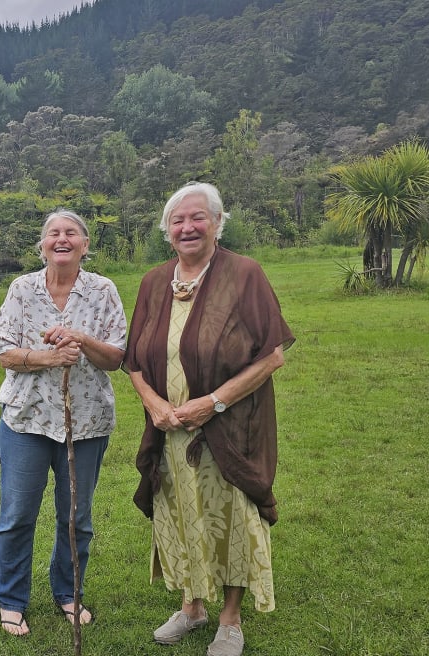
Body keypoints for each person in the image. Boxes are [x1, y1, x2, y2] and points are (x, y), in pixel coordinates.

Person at [124, 182, 295, 656]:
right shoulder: (154, 282)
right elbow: (133, 362)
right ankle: (192, 606)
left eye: (197, 217)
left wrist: (212, 402)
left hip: (228, 427)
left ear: (218, 223)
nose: (188, 227)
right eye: (177, 220)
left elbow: (272, 356)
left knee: (232, 517)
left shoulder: (244, 274)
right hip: (170, 430)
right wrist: (154, 404)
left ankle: (230, 619)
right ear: (167, 230)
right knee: (181, 513)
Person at [0, 209, 127, 637]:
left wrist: (82, 340)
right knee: (17, 515)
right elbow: (4, 352)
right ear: (43, 245)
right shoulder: (22, 289)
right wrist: (50, 357)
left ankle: (69, 592)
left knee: (76, 517)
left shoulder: (103, 290)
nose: (62, 239)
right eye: (54, 233)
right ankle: (11, 600)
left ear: (85, 245)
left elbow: (116, 358)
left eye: (71, 233)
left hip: (86, 423)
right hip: (26, 421)